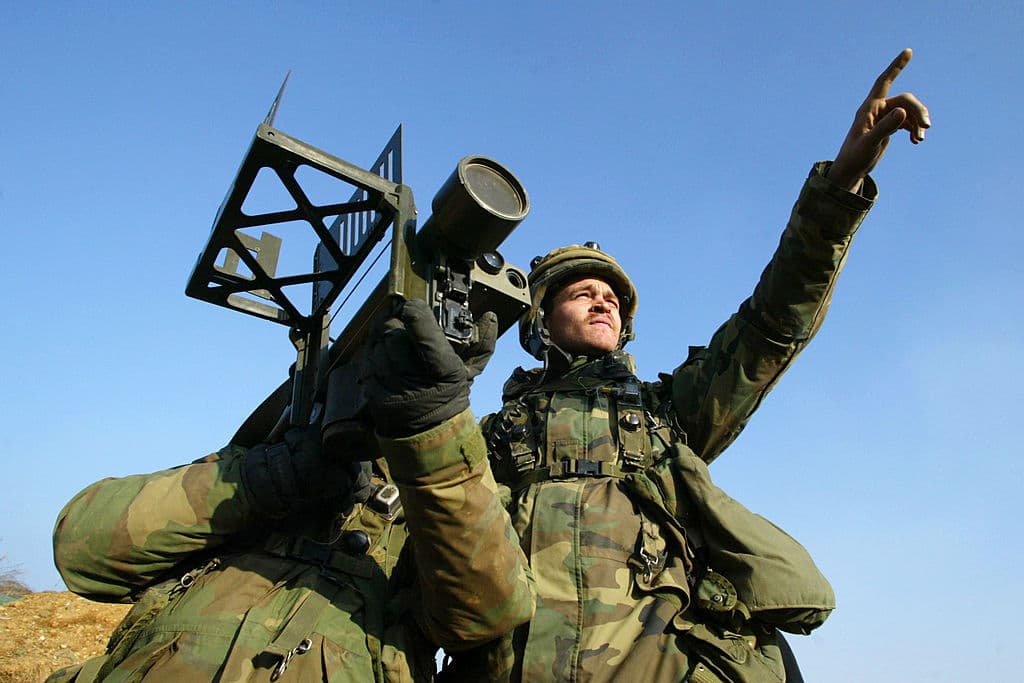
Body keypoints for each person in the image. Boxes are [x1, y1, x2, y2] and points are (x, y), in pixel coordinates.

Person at [475, 49, 930, 682]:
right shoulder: (490, 437)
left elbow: (772, 324)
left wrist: (840, 186)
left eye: (613, 299)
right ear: (539, 320)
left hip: (661, 663)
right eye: (583, 293)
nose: (604, 302)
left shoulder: (666, 413)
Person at [47, 307, 533, 682]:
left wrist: (432, 433)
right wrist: (279, 473)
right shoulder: (258, 466)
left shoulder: (456, 492)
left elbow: (490, 615)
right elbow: (83, 549)